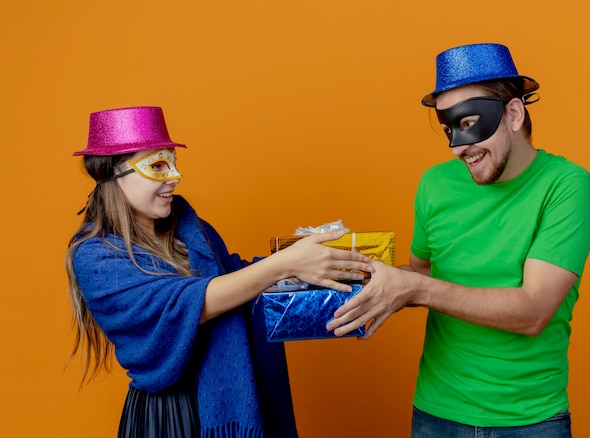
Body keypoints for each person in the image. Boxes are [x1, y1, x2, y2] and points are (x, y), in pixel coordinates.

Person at [327, 43, 590, 436]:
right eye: (447, 130)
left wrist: (416, 288)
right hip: (435, 416)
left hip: (528, 422)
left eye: (469, 124)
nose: (458, 146)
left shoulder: (567, 187)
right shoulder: (434, 185)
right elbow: (420, 274)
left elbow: (533, 311)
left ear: (512, 113)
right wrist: (355, 277)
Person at [65, 106, 373, 437]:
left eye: (173, 162)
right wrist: (285, 263)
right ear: (112, 175)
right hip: (170, 417)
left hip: (238, 402)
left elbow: (242, 281)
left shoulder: (192, 231)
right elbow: (186, 304)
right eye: (157, 165)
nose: (175, 176)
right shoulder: (94, 256)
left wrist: (332, 265)